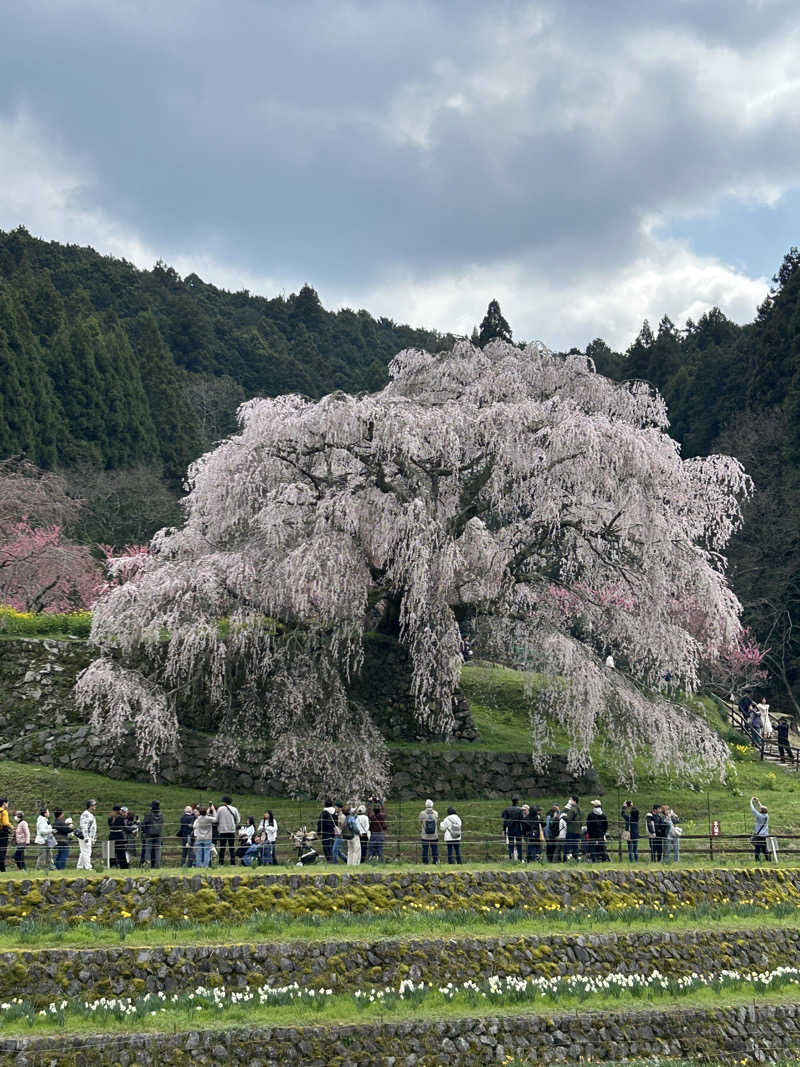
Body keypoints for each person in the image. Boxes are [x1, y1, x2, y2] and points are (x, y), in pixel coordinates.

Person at [216, 796, 240, 865]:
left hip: (222, 830)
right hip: (231, 830)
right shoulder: (234, 809)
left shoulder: (220, 809)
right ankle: (233, 862)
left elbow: (216, 819)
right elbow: (238, 820)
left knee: (222, 847)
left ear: (224, 802)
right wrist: (235, 824)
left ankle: (221, 862)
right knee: (231, 847)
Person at [141, 801, 164, 868]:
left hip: (149, 835)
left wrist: (145, 831)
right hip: (158, 835)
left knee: (148, 851)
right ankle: (157, 865)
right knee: (158, 851)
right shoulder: (161, 814)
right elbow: (162, 822)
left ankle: (147, 865)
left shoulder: (148, 814)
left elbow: (144, 824)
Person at [502, 796, 524, 861]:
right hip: (518, 828)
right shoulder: (520, 810)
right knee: (519, 844)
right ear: (517, 802)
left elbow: (505, 820)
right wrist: (524, 830)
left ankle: (511, 857)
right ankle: (520, 858)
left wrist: (504, 829)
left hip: (510, 828)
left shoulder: (507, 809)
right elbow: (522, 820)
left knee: (510, 843)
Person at [77, 800, 97, 870]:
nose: (95, 807)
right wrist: (86, 837)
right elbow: (84, 826)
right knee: (87, 851)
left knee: (84, 851)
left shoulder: (90, 814)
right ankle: (88, 867)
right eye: (94, 805)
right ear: (90, 806)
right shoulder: (85, 814)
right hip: (85, 836)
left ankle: (79, 867)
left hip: (89, 836)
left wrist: (93, 838)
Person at [418, 799, 439, 864]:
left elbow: (420, 822)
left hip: (425, 835)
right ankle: (435, 861)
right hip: (434, 835)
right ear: (432, 805)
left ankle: (425, 862)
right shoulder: (436, 813)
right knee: (434, 849)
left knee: (425, 849)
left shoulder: (422, 813)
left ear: (425, 805)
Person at [750, 795, 769, 862]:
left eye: (760, 809)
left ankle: (757, 861)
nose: (759, 809)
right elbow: (762, 808)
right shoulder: (767, 816)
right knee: (764, 849)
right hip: (765, 835)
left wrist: (751, 801)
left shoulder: (758, 816)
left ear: (761, 811)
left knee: (757, 849)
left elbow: (753, 809)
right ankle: (768, 860)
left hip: (759, 835)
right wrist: (758, 802)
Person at [563, 796, 581, 861]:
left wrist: (563, 816)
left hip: (571, 830)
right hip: (577, 830)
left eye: (571, 800)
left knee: (568, 845)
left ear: (574, 801)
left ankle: (566, 859)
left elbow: (568, 819)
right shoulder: (578, 809)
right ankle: (576, 857)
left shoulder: (572, 809)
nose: (570, 801)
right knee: (575, 845)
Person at [0, 798, 10, 873]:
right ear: (4, 803)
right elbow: (5, 823)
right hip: (3, 833)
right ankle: (2, 868)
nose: (8, 804)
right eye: (7, 803)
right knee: (3, 850)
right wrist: (11, 827)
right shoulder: (4, 812)